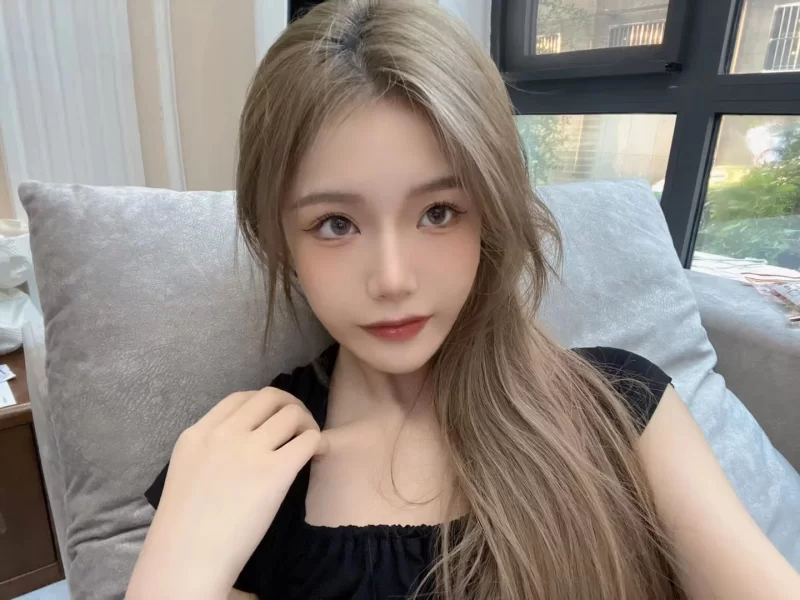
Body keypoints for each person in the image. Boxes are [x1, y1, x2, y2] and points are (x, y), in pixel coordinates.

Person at [126, 1, 800, 598]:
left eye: (439, 212)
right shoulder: (245, 466)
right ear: (280, 239)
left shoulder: (620, 407)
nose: (393, 279)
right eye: (335, 224)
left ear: (491, 214)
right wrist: (178, 567)